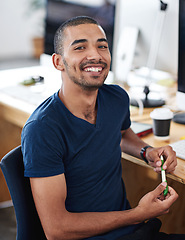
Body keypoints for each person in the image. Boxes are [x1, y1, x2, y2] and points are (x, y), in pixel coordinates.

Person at [21, 16, 184, 240]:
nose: (95, 55)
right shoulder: (42, 129)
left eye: (102, 46)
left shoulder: (116, 97)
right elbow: (57, 229)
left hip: (133, 230)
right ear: (58, 62)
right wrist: (137, 214)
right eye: (80, 47)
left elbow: (121, 134)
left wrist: (147, 151)